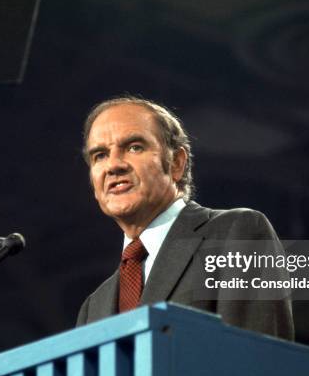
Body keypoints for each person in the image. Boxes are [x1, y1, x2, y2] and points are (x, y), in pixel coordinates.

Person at [75, 96, 294, 340]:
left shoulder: (236, 234)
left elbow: (256, 359)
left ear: (177, 163)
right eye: (100, 156)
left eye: (134, 147)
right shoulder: (93, 307)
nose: (113, 165)